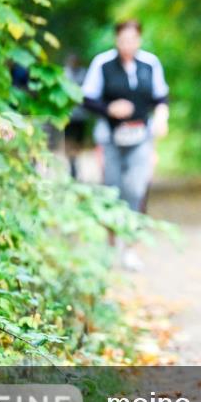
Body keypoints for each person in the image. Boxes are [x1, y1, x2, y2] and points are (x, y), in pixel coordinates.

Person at [81, 20, 170, 271]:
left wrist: (162, 118)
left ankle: (131, 248)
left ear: (139, 40)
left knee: (137, 190)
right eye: (123, 39)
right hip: (109, 138)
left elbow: (161, 97)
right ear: (116, 40)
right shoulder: (102, 64)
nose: (127, 44)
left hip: (141, 137)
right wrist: (109, 109)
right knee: (111, 190)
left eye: (132, 39)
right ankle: (111, 247)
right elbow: (86, 98)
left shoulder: (150, 64)